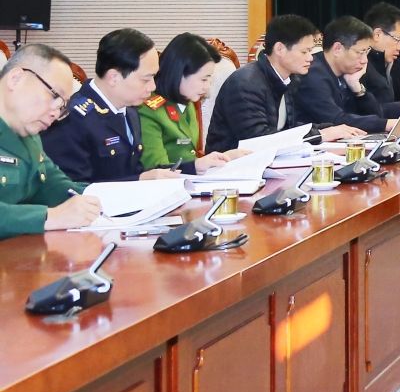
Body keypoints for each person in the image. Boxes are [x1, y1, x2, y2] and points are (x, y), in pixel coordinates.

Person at [42, 28, 184, 184]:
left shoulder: (130, 110)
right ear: (113, 77)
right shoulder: (73, 119)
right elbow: (71, 188)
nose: (153, 87)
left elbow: (132, 171)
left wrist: (192, 167)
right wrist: (138, 181)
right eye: (146, 79)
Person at [207, 15, 365, 153]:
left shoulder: (290, 78)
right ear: (280, 49)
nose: (310, 58)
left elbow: (291, 127)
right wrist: (320, 135)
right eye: (304, 52)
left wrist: (329, 129)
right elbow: (258, 140)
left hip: (270, 162)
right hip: (234, 167)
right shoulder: (245, 83)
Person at [0, 43, 103, 237]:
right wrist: (49, 217)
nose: (55, 113)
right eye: (54, 95)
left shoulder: (29, 136)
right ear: (15, 78)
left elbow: (56, 187)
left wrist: (121, 200)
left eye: (62, 106)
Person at [137, 33, 243, 172]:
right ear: (179, 73)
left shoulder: (187, 102)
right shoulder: (149, 111)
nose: (207, 87)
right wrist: (196, 166)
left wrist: (225, 158)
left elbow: (190, 156)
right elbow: (156, 171)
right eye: (203, 79)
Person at [294, 15, 394, 134]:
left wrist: (358, 90)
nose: (364, 60)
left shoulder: (345, 72)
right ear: (337, 49)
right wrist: (385, 124)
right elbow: (336, 120)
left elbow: (376, 114)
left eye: (366, 52)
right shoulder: (313, 75)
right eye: (360, 52)